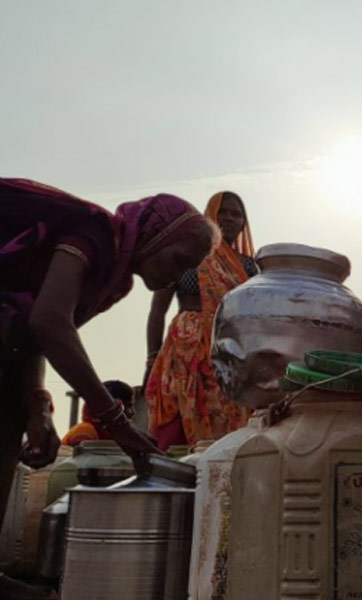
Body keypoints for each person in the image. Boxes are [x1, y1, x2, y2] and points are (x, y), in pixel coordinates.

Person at [0, 177, 217, 600]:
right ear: (158, 235)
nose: (181, 273)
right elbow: (49, 323)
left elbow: (27, 328)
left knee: (8, 410)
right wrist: (115, 421)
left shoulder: (115, 280)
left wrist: (37, 405)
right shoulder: (96, 234)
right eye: (180, 258)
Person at [144, 192, 256, 449]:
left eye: (236, 214)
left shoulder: (249, 267)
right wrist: (151, 358)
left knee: (231, 418)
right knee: (178, 416)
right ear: (209, 216)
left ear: (243, 223)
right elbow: (157, 311)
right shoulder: (187, 256)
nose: (228, 218)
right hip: (187, 348)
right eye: (222, 212)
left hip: (230, 350)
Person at [61, 380, 136, 446]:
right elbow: (83, 460)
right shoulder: (85, 430)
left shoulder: (117, 436)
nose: (133, 412)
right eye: (128, 407)